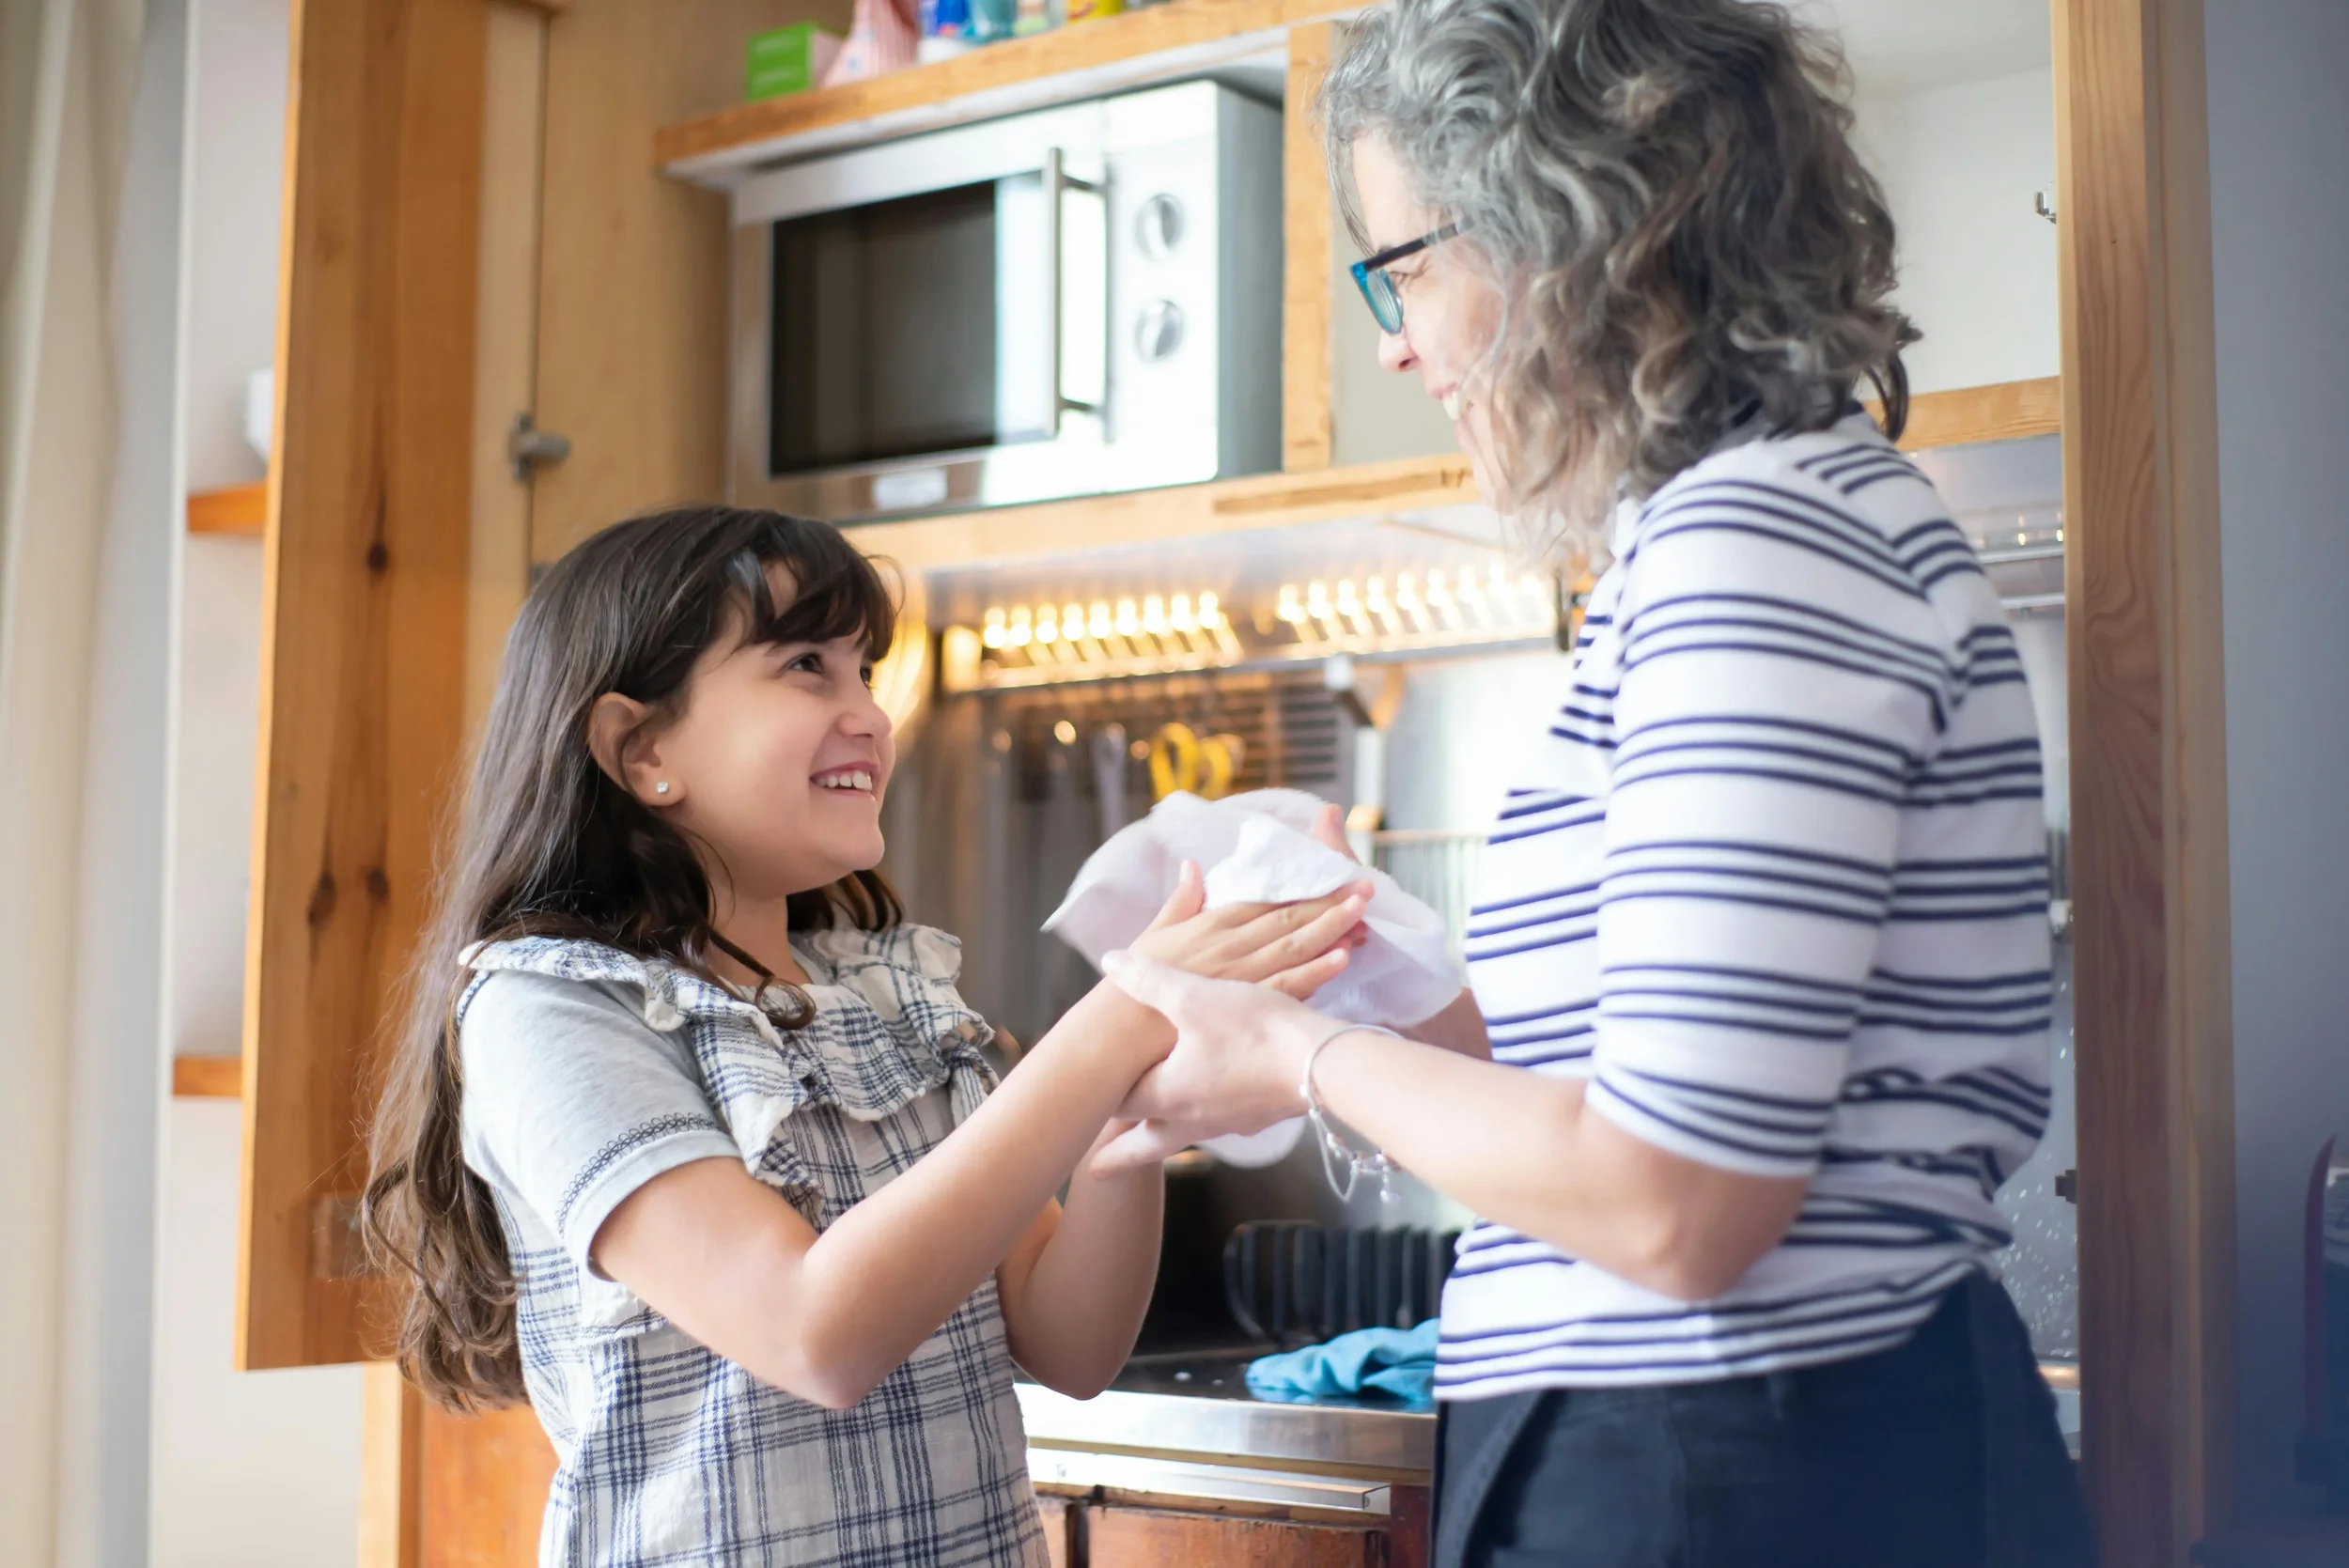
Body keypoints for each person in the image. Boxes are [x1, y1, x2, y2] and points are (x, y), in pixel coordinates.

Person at [1090, 0, 2095, 1562]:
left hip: (1749, 1463)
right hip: (1720, 1447)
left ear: (1571, 231)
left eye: (1406, 264)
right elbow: (1631, 1093)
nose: (1394, 337)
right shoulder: (1720, 544)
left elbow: (1676, 1203)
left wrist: (1297, 1055)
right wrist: (1369, 971)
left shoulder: (1759, 551)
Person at [360, 506, 1371, 1567]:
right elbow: (813, 1331)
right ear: (644, 748)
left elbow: (1068, 1340)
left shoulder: (889, 987)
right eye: (807, 665)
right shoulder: (550, 1010)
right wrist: (1119, 1020)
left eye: (865, 671)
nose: (871, 718)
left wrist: (1136, 1107)